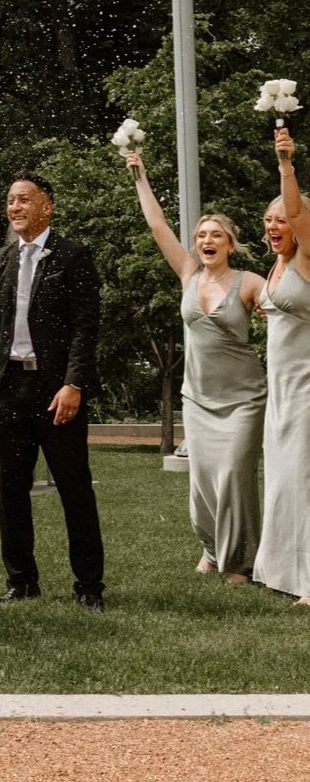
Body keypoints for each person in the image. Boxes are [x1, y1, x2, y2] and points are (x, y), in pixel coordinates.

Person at [124, 151, 266, 582]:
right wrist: (140, 177)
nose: (207, 240)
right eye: (202, 234)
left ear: (230, 244)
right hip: (199, 398)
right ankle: (210, 548)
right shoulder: (188, 273)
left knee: (234, 479)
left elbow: (286, 307)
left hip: (243, 397)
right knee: (202, 482)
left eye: (216, 235)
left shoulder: (250, 281)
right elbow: (156, 226)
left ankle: (239, 561)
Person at [0, 172, 106, 610]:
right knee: (10, 489)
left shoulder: (72, 256)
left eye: (24, 200)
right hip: (10, 386)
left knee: (73, 487)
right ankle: (22, 580)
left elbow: (86, 327)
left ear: (47, 206)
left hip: (56, 389)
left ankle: (88, 586)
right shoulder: (0, 259)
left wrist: (74, 383)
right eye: (10, 200)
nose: (15, 208)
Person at [254, 127, 310, 604]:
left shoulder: (308, 258)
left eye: (282, 220)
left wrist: (286, 165)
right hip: (282, 391)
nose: (274, 226)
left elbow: (297, 209)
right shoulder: (276, 266)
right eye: (268, 220)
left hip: (309, 388)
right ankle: (282, 572)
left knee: (304, 477)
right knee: (285, 478)